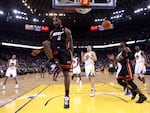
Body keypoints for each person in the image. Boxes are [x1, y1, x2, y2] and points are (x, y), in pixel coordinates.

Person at [32, 17, 73, 108]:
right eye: (53, 20)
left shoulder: (66, 30)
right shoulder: (52, 32)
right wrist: (40, 50)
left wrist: (72, 54)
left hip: (64, 52)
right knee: (45, 43)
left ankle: (66, 97)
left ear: (60, 21)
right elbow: (50, 45)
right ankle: (52, 61)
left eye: (56, 20)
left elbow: (71, 43)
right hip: (55, 51)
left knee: (66, 74)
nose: (55, 22)